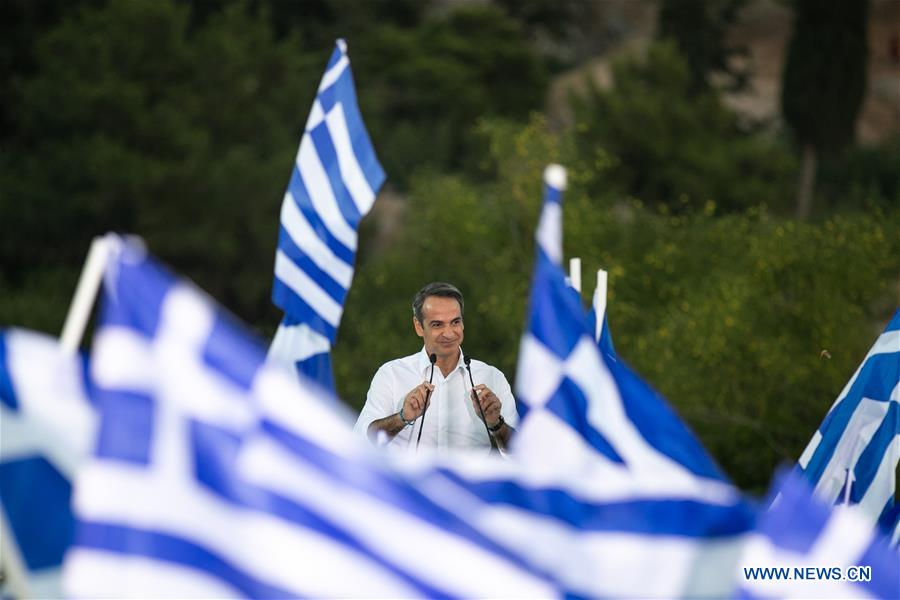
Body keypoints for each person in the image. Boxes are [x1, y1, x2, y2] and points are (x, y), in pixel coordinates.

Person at [353, 282, 518, 453]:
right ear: (418, 326)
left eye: (455, 322)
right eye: (437, 325)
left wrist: (496, 424)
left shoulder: (491, 376)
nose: (448, 333)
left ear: (462, 324)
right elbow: (362, 443)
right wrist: (402, 418)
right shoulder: (391, 374)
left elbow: (523, 454)